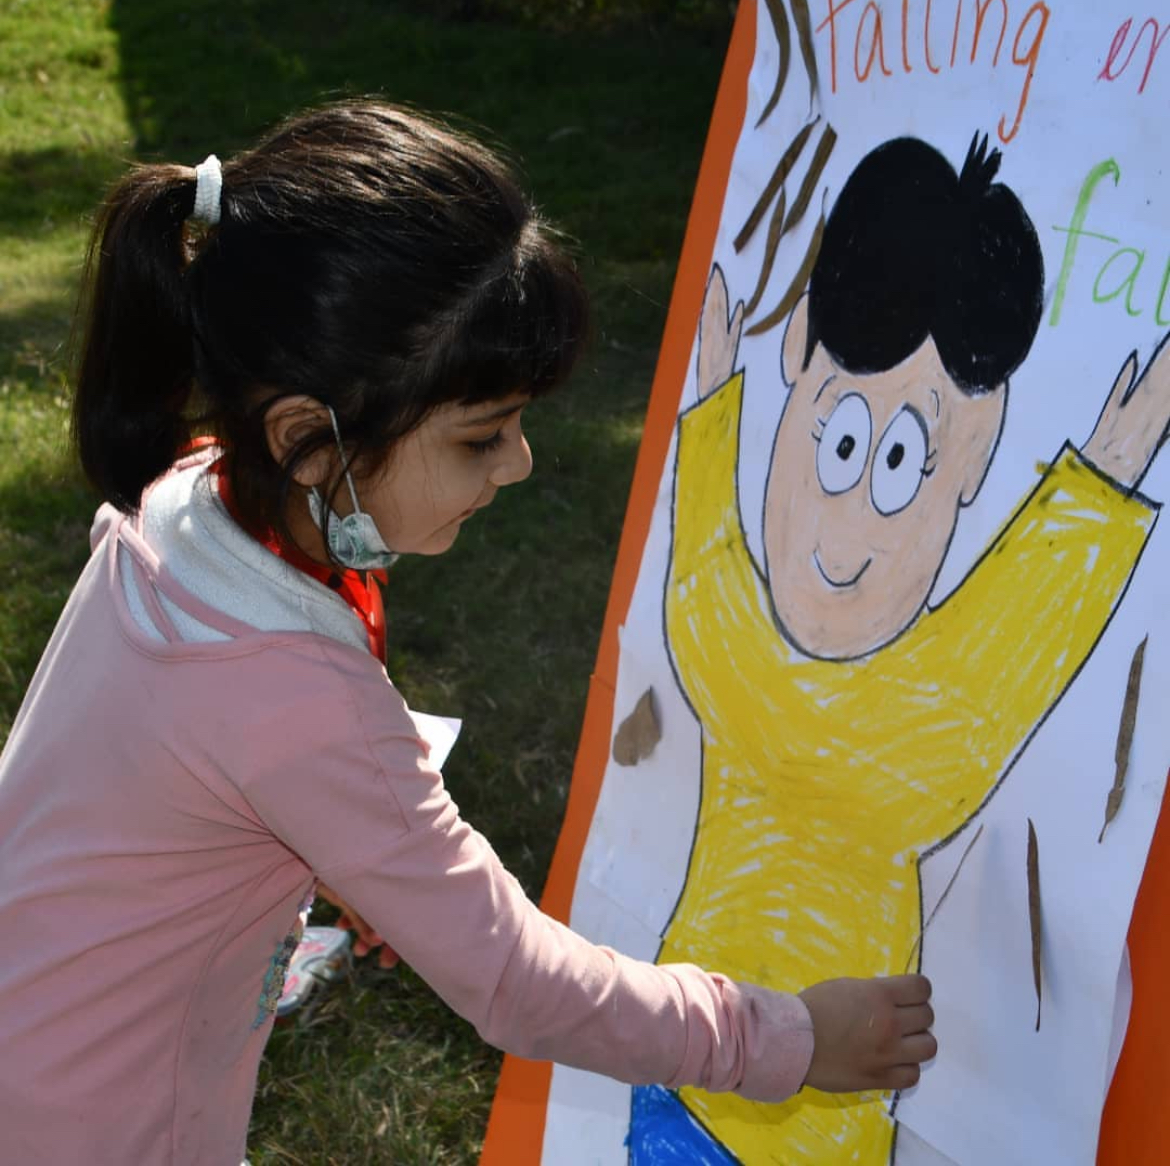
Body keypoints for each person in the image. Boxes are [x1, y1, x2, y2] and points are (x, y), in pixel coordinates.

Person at [0, 100, 936, 1165]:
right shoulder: (302, 708)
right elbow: (514, 979)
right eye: (483, 435)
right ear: (309, 439)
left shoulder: (185, 498)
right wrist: (791, 1037)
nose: (520, 464)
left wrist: (337, 848)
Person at [643, 134, 1170, 1163]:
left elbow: (1021, 626)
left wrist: (1107, 478)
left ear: (971, 454)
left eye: (900, 461)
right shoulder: (801, 677)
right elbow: (704, 583)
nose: (851, 526)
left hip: (810, 1131)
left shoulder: (928, 715)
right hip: (687, 1083)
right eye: (846, 442)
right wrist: (706, 419)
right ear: (799, 353)